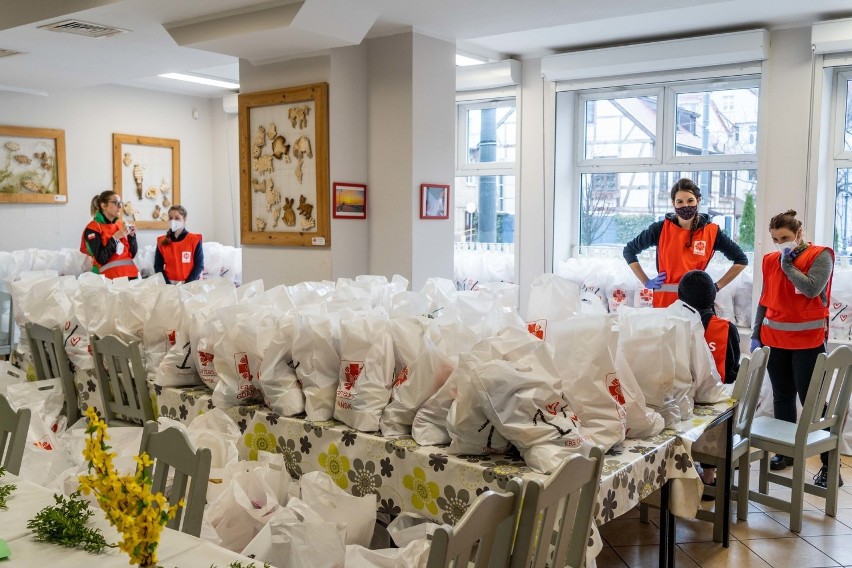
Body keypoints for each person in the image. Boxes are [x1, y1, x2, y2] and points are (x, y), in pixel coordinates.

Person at [750, 209, 839, 487]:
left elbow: (812, 289)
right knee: (782, 397)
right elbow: (765, 299)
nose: (780, 244)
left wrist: (788, 266)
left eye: (785, 237)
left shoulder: (819, 255)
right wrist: (755, 333)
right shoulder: (769, 260)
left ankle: (829, 466)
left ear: (799, 233)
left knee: (811, 401)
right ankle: (785, 453)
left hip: (808, 342)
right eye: (776, 239)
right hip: (774, 340)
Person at [623, 178, 748, 307]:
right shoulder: (660, 229)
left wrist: (716, 287)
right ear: (673, 203)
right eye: (680, 201)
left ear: (698, 201)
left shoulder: (712, 232)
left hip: (696, 304)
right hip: (664, 304)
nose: (685, 206)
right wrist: (646, 282)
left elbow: (741, 260)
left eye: (690, 200)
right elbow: (629, 251)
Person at [678, 269, 741, 488]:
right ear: (713, 297)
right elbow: (732, 373)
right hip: (715, 411)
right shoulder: (726, 329)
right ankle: (708, 476)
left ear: (680, 298)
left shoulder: (674, 326)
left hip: (680, 405)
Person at [81, 191, 139, 279]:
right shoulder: (93, 228)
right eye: (116, 203)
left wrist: (132, 236)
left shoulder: (119, 224)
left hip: (132, 276)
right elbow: (101, 259)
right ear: (103, 206)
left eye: (120, 203)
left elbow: (132, 254)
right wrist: (115, 238)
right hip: (109, 280)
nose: (120, 206)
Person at [154, 205, 204, 284]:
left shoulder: (194, 240)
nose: (173, 221)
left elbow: (199, 265)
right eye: (170, 218)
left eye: (177, 218)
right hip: (168, 285)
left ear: (184, 219)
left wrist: (187, 284)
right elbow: (158, 266)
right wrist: (167, 284)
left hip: (190, 284)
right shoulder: (161, 241)